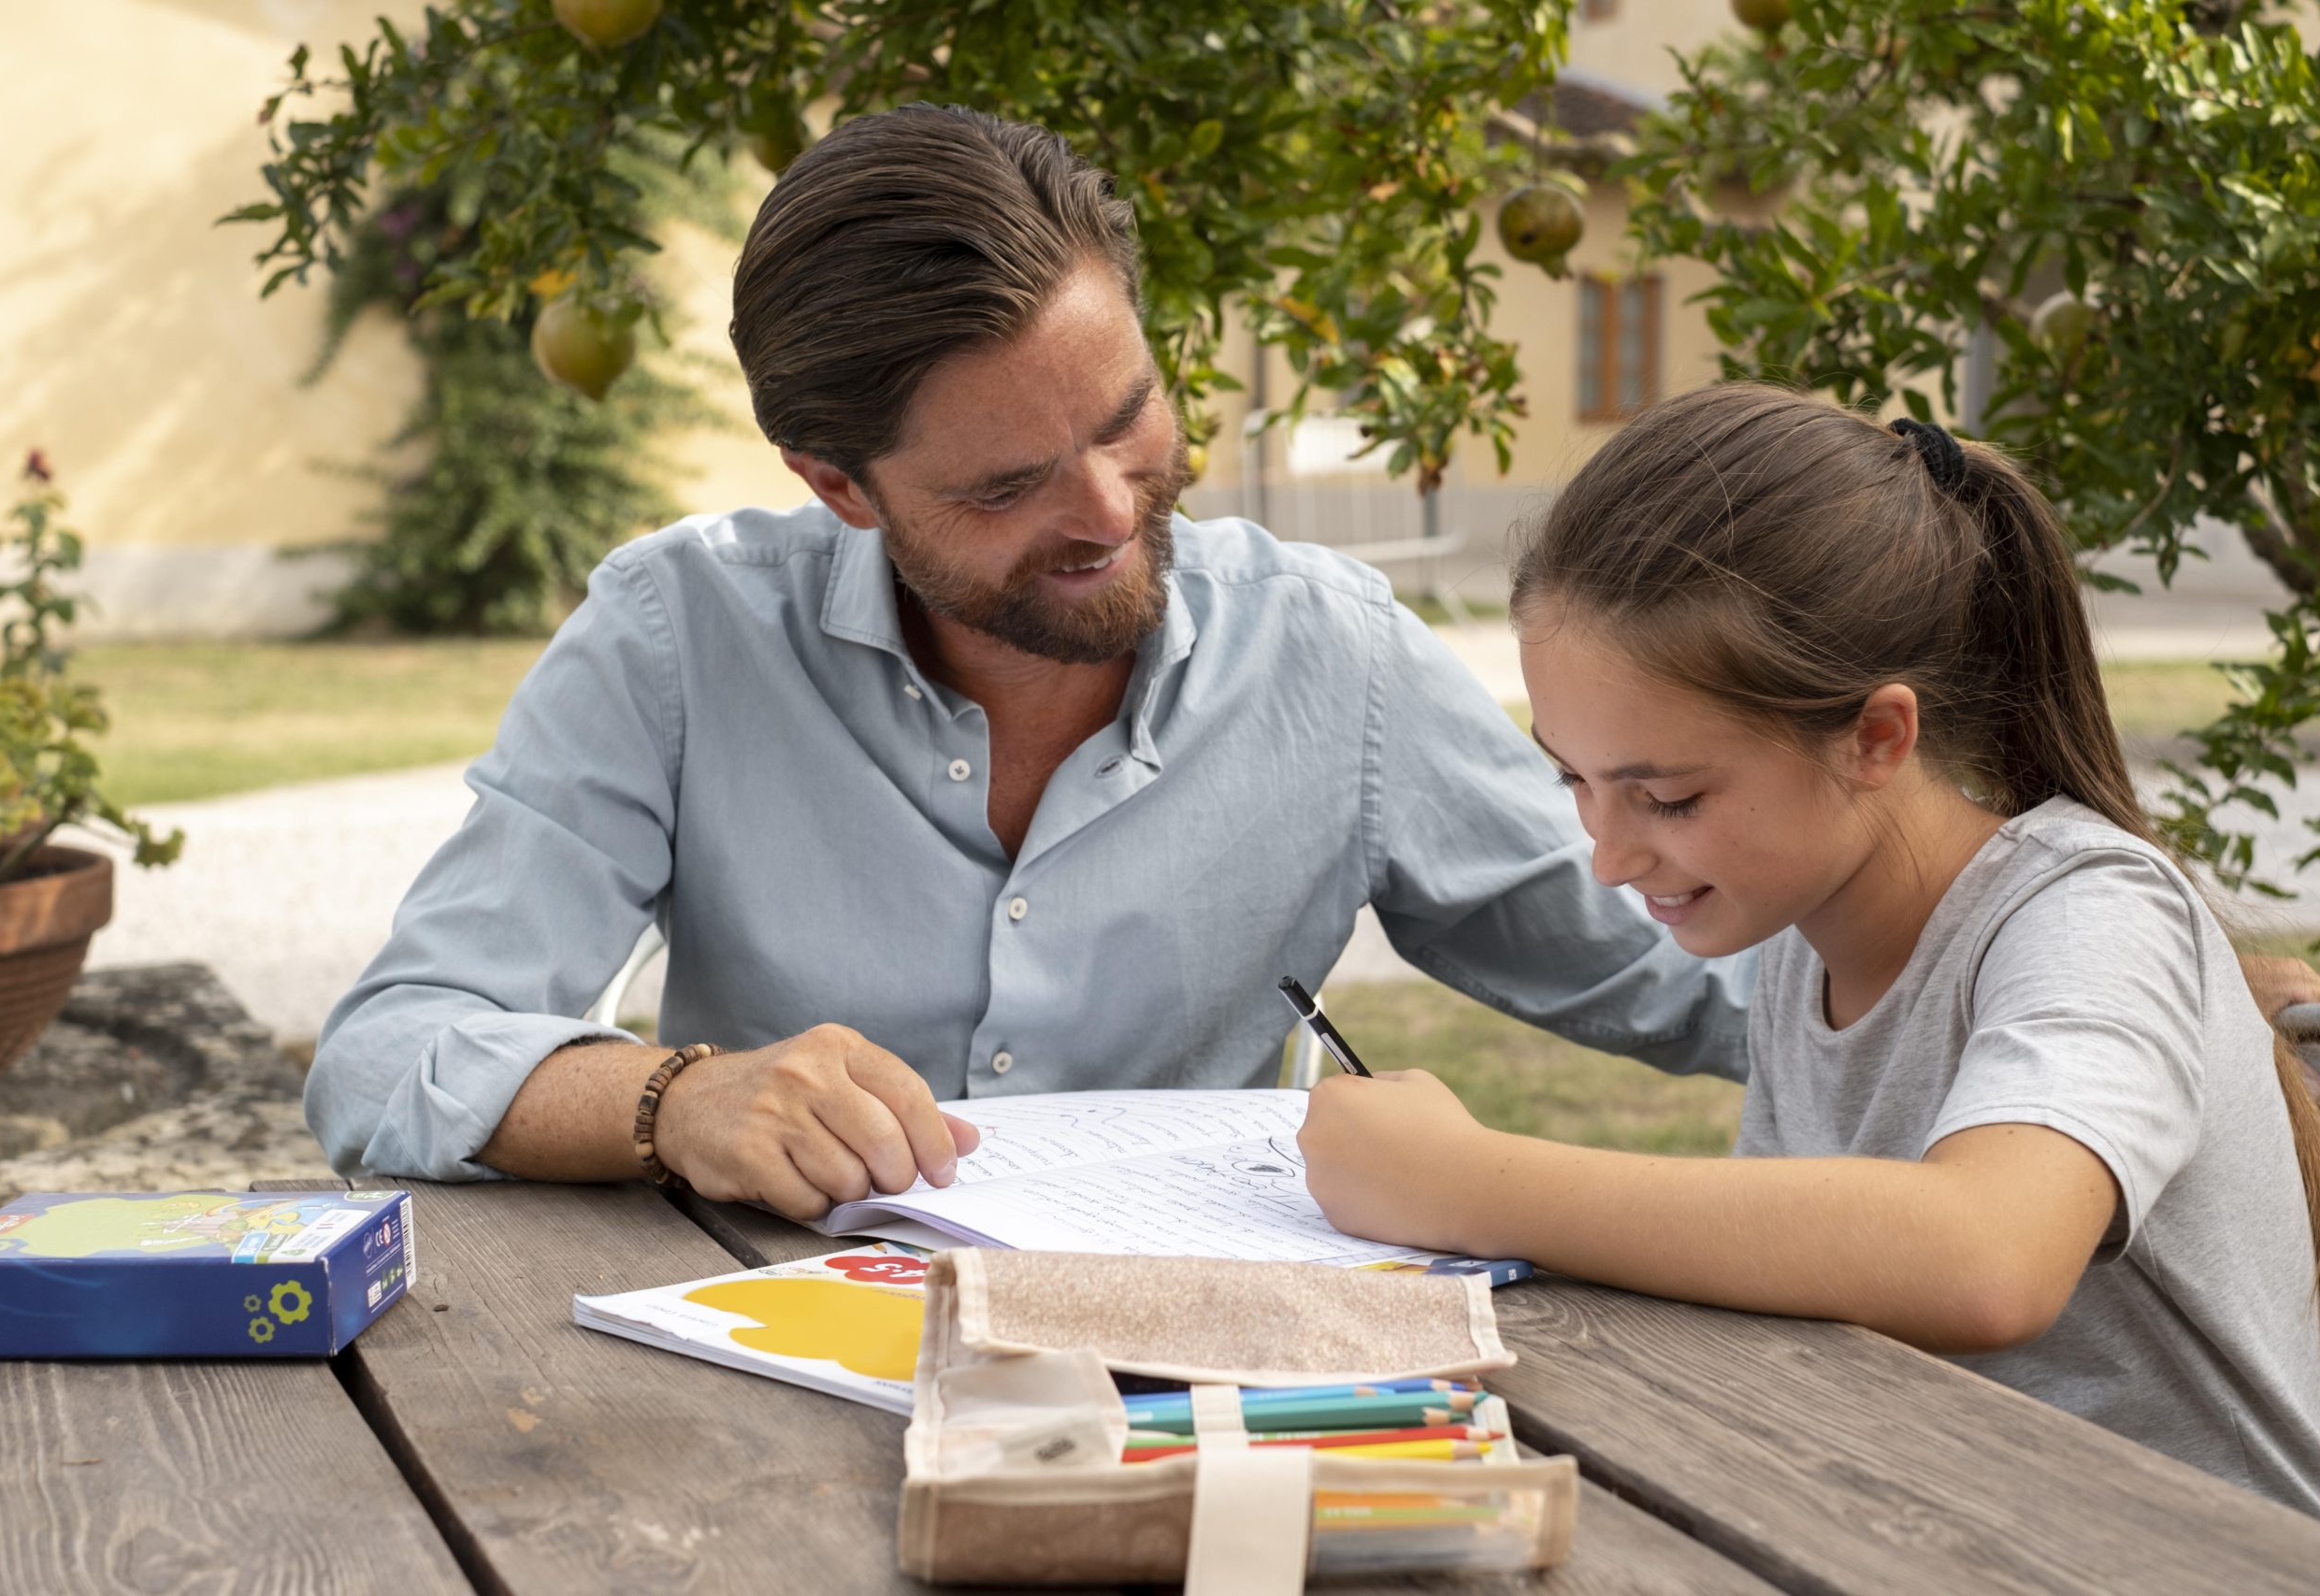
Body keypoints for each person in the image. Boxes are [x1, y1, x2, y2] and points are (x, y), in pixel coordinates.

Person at [303, 104, 1752, 1213]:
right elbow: (392, 1051)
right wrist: (673, 1097)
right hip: (752, 1379)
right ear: (840, 487)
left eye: (1128, 415)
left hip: (1194, 1390)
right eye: (1006, 489)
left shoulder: (1335, 659)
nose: (1111, 512)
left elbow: (1708, 972)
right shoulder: (676, 635)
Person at [1298, 383, 2320, 1538]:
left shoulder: (2089, 912)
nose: (1607, 856)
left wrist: (1470, 1186)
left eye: (1665, 796)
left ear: (1876, 738)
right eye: (1572, 777)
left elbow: (1987, 1255)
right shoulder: (1798, 948)